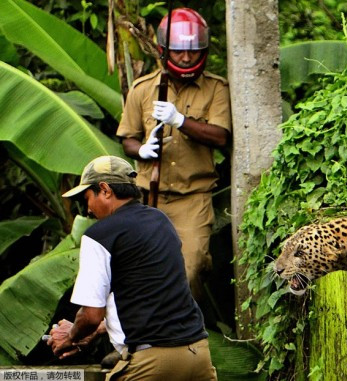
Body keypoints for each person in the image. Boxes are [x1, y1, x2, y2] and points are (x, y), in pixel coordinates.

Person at [47, 155, 217, 381]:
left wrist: (70, 337)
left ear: (105, 190)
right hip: (197, 356)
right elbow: (148, 298)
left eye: (87, 197)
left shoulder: (99, 235)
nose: (87, 209)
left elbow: (90, 315)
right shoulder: (160, 221)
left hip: (152, 364)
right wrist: (98, 330)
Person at [116, 7, 231, 303]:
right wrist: (140, 150)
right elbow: (127, 138)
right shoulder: (142, 90)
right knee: (139, 272)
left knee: (191, 268)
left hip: (193, 198)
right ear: (164, 50)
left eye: (193, 51)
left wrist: (181, 121)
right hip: (147, 196)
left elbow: (220, 135)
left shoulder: (216, 89)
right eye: (179, 51)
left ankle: (183, 337)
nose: (187, 57)